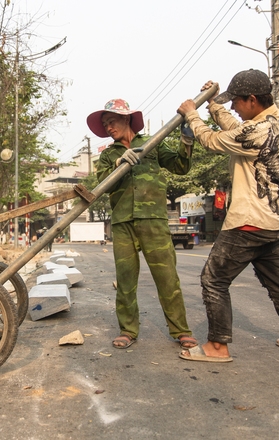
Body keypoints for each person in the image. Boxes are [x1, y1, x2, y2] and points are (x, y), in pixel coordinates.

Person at [177, 69, 279, 362]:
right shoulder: (277, 121)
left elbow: (214, 140)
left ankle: (217, 347)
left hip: (249, 222)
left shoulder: (257, 131)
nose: (233, 108)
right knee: (277, 282)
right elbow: (236, 128)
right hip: (275, 222)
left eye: (237, 102)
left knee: (213, 280)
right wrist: (213, 104)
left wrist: (193, 113)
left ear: (252, 100)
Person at [89, 98, 198, 350]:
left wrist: (187, 138)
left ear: (127, 119)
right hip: (123, 221)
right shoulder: (107, 155)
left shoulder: (153, 143)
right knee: (125, 280)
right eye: (105, 124)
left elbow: (181, 166)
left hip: (153, 220)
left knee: (167, 277)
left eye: (112, 121)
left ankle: (181, 330)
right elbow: (101, 186)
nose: (108, 127)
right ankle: (128, 330)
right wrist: (119, 163)